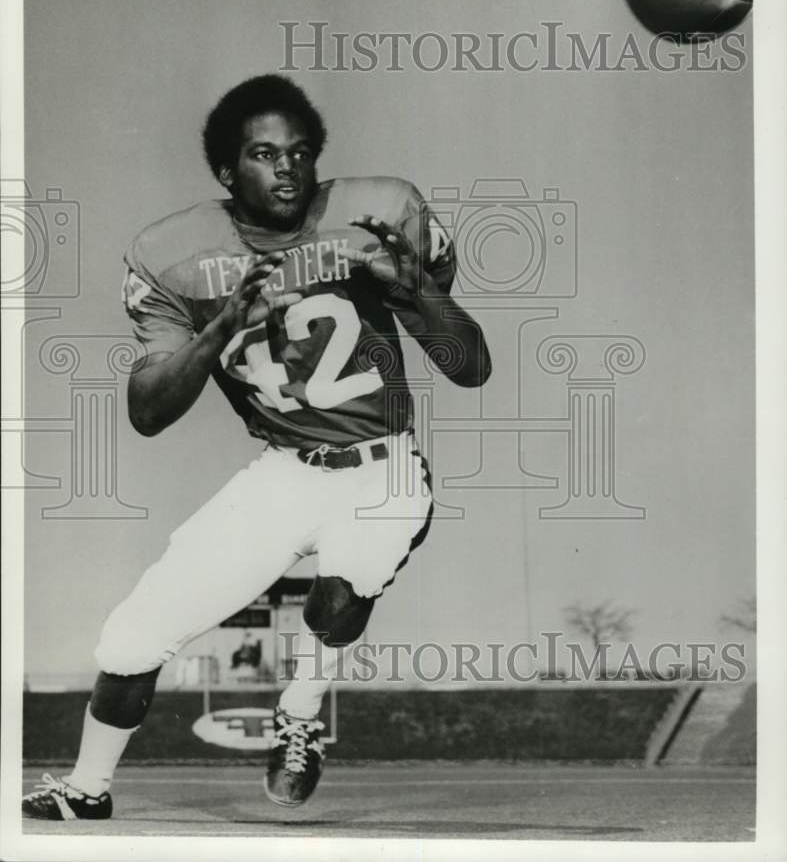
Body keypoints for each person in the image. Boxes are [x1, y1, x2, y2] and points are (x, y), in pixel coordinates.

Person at [22, 74, 491, 820]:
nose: (287, 168)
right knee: (128, 642)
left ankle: (299, 715)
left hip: (382, 465)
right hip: (280, 473)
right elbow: (147, 412)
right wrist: (219, 328)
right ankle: (86, 788)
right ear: (225, 171)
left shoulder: (380, 214)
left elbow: (471, 367)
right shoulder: (172, 255)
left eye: (301, 153)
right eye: (265, 153)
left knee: (343, 584)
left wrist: (416, 296)